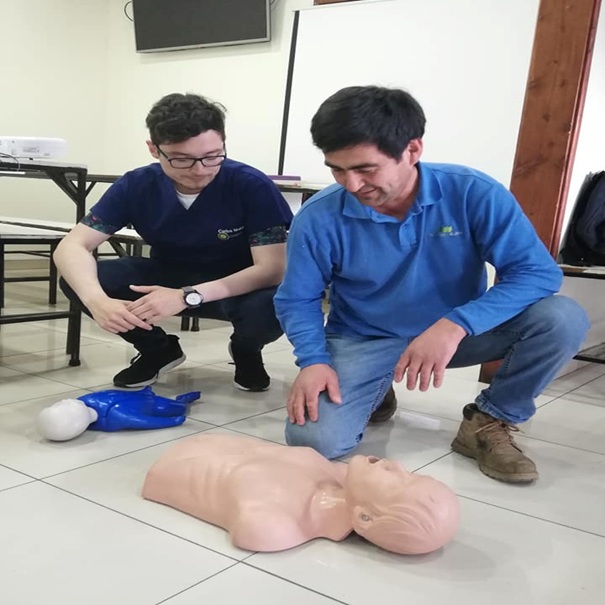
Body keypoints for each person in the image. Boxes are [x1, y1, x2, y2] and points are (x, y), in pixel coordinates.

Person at [273, 85, 590, 484]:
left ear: (412, 150)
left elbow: (537, 273)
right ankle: (372, 388)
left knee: (561, 317)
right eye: (338, 169)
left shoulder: (472, 192)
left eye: (366, 169)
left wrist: (455, 324)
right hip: (364, 338)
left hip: (454, 336)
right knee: (313, 443)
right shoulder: (320, 216)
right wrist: (314, 361)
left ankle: (490, 420)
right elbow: (297, 298)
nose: (351, 185)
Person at [54, 93, 293, 392]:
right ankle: (158, 349)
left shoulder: (250, 185)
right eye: (182, 159)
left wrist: (186, 296)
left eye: (213, 156)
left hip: (237, 285)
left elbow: (272, 269)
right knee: (83, 280)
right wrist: (97, 301)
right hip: (166, 273)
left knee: (279, 300)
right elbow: (72, 246)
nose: (200, 170)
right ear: (154, 149)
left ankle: (246, 349)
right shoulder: (136, 185)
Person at [142, 433, 460, 555]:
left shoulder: (279, 526)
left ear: (364, 516)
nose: (398, 466)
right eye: (413, 474)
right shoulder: (339, 477)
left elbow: (250, 531)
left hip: (171, 468)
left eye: (399, 483)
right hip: (204, 442)